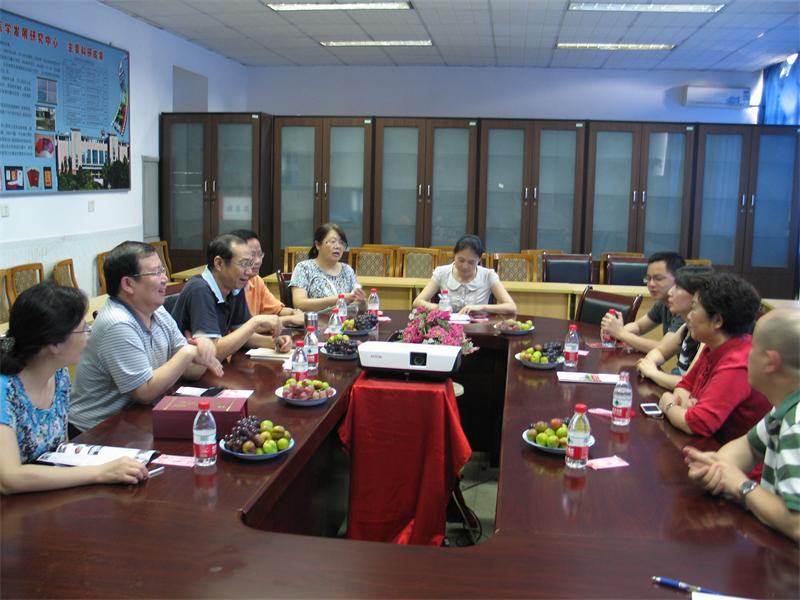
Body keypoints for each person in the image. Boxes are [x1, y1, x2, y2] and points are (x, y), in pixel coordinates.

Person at [1, 283, 149, 494]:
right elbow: (9, 479)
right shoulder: (5, 388)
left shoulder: (58, 374)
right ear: (54, 344)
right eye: (83, 328)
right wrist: (100, 473)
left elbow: (59, 452)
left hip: (43, 494)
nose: (89, 334)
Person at [69, 242, 224, 434]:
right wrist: (188, 352)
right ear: (128, 284)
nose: (164, 278)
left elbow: (190, 370)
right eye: (156, 272)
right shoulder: (117, 323)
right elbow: (144, 392)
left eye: (162, 270)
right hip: (98, 430)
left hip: (137, 418)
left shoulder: (156, 311)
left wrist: (203, 348)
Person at [684, 308, 800, 542]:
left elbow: (796, 524)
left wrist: (741, 485)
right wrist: (716, 469)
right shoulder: (785, 407)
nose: (747, 354)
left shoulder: (796, 424)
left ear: (770, 362)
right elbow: (748, 447)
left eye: (753, 347)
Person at [657, 273, 771, 444]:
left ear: (717, 320)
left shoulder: (738, 362)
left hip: (726, 455)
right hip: (708, 445)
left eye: (694, 308)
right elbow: (684, 385)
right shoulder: (714, 345)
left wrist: (668, 404)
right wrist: (687, 408)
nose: (689, 316)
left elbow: (696, 424)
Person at [170, 234, 291, 360]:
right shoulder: (200, 290)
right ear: (219, 263)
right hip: (184, 369)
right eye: (243, 264)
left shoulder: (234, 286)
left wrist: (275, 343)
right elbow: (210, 352)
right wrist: (256, 322)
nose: (249, 271)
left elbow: (242, 334)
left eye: (250, 264)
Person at [636, 265, 713, 390]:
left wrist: (653, 373)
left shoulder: (707, 337)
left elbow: (689, 383)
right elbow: (660, 352)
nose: (670, 292)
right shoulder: (686, 327)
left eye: (677, 287)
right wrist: (650, 363)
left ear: (696, 296)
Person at [601, 251, 686, 353]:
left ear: (678, 279)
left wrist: (621, 333)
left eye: (658, 278)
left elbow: (663, 348)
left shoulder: (685, 308)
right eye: (648, 278)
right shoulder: (662, 303)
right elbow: (639, 326)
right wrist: (614, 329)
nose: (651, 284)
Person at [412, 234, 516, 315]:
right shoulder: (442, 273)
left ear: (479, 260)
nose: (465, 266)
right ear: (454, 255)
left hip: (478, 329)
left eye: (471, 262)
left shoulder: (488, 275)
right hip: (447, 329)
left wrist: (482, 307)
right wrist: (439, 308)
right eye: (461, 260)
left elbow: (511, 307)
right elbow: (417, 302)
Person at [228, 229, 305, 327]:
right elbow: (240, 328)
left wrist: (294, 312)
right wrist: (289, 319)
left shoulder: (256, 280)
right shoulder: (230, 285)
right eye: (252, 255)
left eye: (260, 254)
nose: (258, 261)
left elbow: (277, 310)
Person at [289, 223, 366, 312]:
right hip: (315, 320)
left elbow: (361, 309)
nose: (338, 246)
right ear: (318, 245)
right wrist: (339, 299)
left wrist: (362, 302)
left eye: (341, 243)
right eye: (333, 242)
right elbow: (299, 304)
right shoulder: (304, 268)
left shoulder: (347, 270)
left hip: (344, 320)